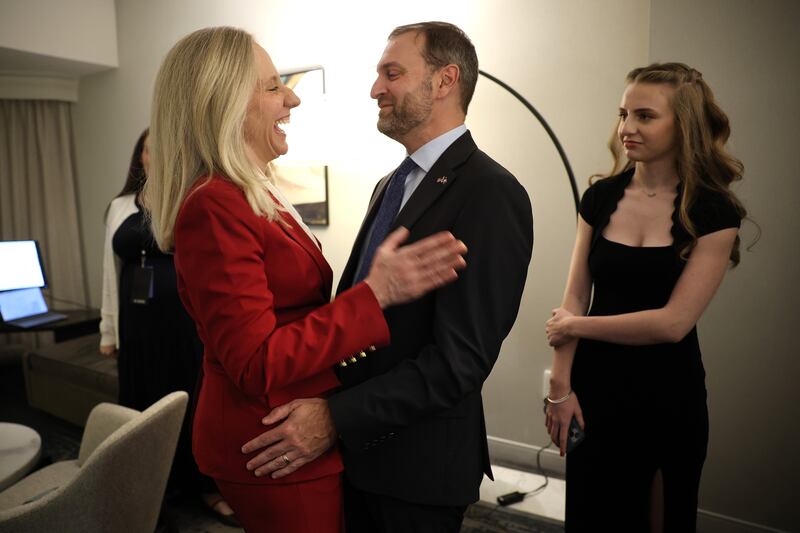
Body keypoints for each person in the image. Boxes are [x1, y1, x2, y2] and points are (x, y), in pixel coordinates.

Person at [144, 26, 467, 533]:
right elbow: (255, 361)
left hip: (294, 425)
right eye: (274, 86)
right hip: (271, 442)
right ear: (225, 103)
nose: (291, 98)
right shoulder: (214, 204)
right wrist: (376, 295)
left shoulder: (253, 192)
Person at [242, 22, 534, 532]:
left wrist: (336, 417)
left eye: (391, 73)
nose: (375, 88)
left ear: (445, 80)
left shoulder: (491, 192)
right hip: (356, 457)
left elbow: (460, 362)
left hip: (418, 469)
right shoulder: (390, 185)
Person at [543, 63, 748, 531]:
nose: (626, 128)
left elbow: (672, 323)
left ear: (684, 125)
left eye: (645, 116)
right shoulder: (599, 198)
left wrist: (575, 326)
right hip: (594, 389)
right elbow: (574, 294)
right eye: (623, 114)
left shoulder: (714, 212)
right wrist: (560, 388)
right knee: (593, 517)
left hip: (667, 397)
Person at [99, 129, 238, 525]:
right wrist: (108, 331)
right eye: (148, 149)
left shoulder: (191, 197)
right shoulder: (119, 207)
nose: (154, 156)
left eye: (162, 149)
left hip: (183, 322)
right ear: (139, 157)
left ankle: (206, 487)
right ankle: (150, 492)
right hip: (135, 324)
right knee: (141, 404)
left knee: (191, 401)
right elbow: (109, 271)